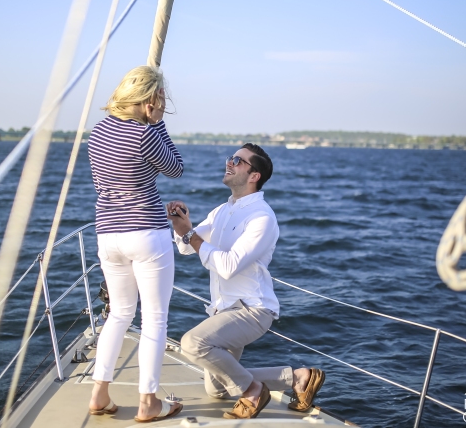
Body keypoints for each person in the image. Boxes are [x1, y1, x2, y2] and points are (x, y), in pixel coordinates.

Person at [166, 143, 326, 420]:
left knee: (192, 343)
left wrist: (189, 235)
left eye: (238, 161)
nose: (229, 163)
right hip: (224, 309)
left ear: (254, 176)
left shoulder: (262, 217)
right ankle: (299, 376)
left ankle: (253, 389)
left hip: (252, 310)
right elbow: (185, 245)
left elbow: (226, 266)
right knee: (216, 390)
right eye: (231, 158)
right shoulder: (222, 211)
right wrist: (183, 225)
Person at [87, 65, 184, 422]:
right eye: (160, 99)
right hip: (146, 232)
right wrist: (157, 123)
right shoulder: (144, 135)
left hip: (108, 234)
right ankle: (148, 403)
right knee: (154, 319)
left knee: (119, 314)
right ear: (148, 100)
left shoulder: (96, 134)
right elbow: (175, 167)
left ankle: (99, 394)